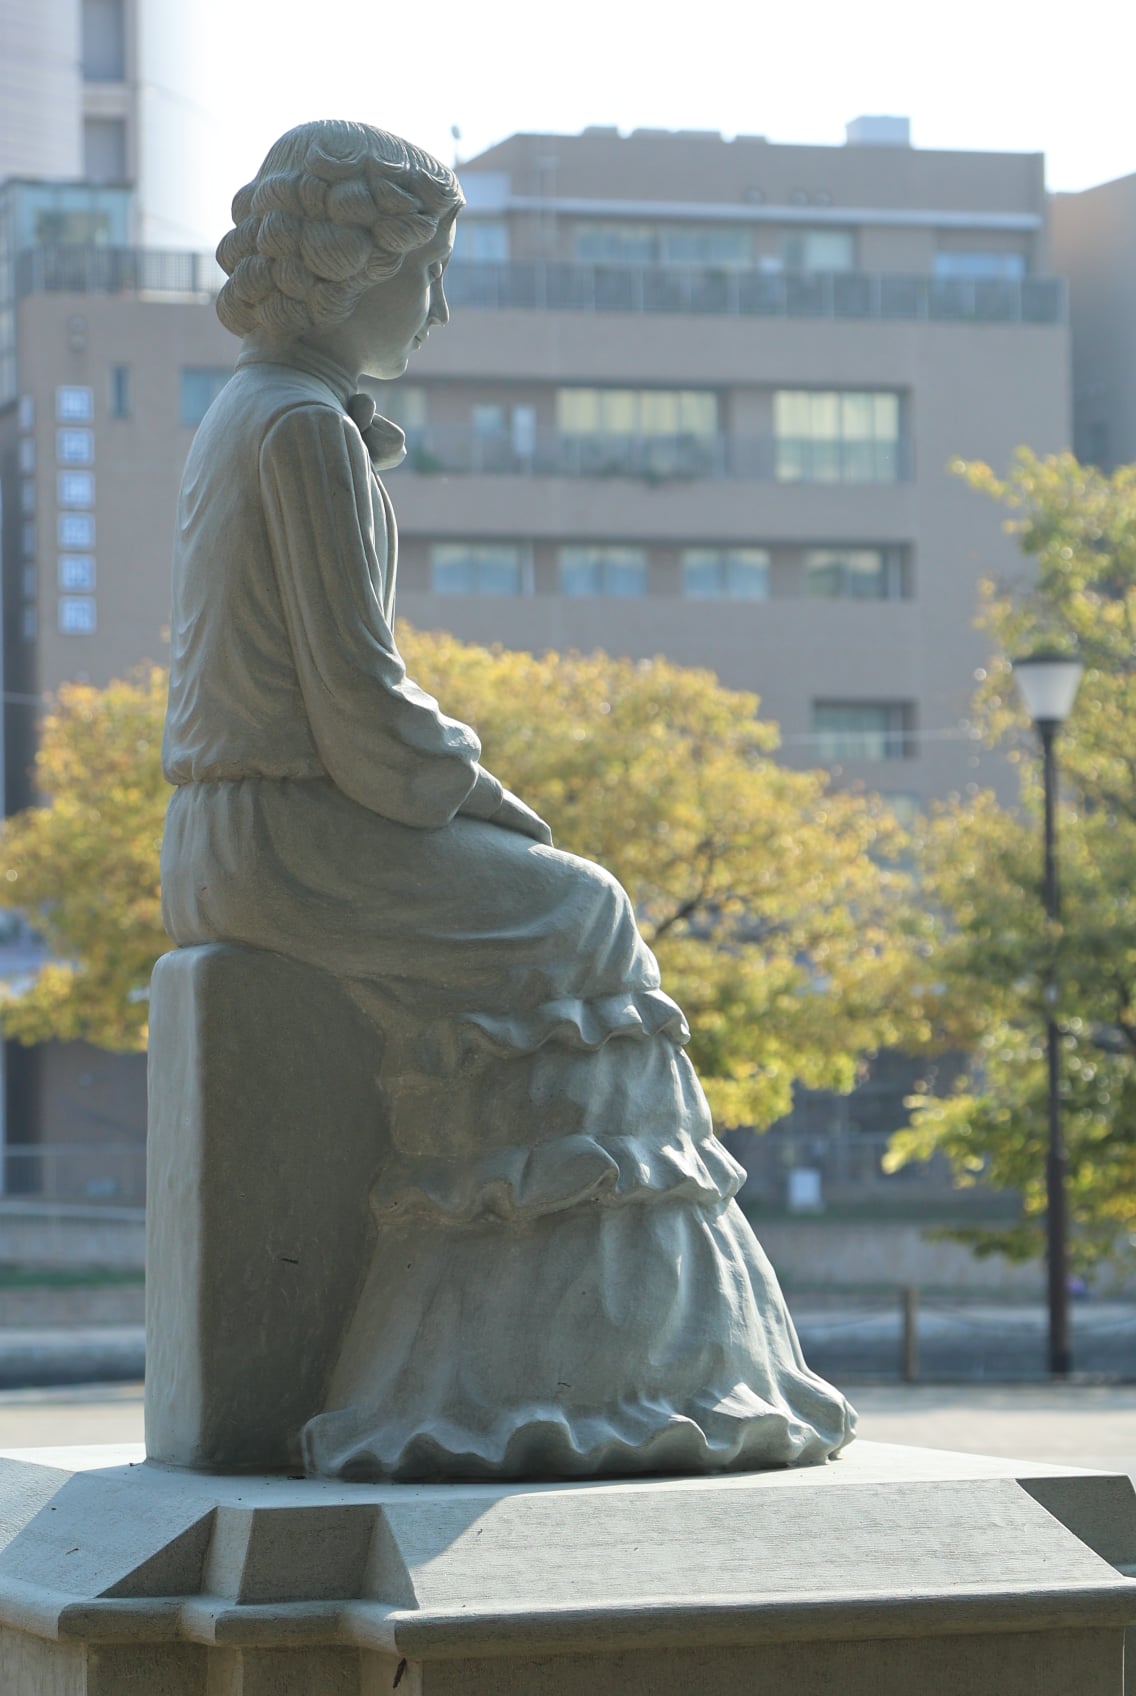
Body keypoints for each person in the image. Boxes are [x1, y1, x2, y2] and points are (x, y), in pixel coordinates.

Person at [161, 119, 855, 1481]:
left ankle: (561, 1345)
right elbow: (362, 712)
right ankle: (562, 1366)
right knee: (584, 918)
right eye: (426, 274)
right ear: (352, 271)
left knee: (571, 910)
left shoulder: (252, 414)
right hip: (291, 837)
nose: (438, 310)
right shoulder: (301, 430)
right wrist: (479, 791)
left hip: (241, 831)